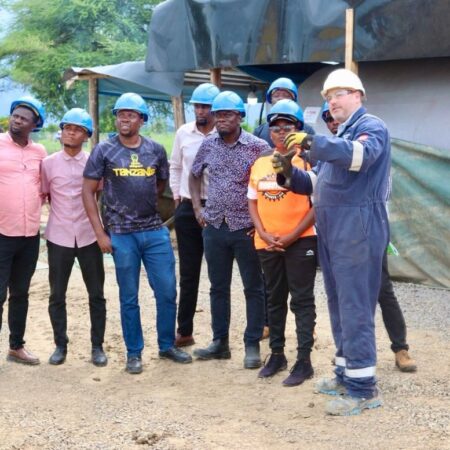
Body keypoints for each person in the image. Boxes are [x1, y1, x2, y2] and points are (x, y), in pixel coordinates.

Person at [272, 69, 389, 415]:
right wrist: (288, 173)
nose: (332, 101)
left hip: (358, 226)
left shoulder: (372, 128)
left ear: (358, 95)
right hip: (334, 228)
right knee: (338, 303)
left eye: (338, 94)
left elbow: (360, 156)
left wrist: (312, 143)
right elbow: (317, 181)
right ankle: (344, 372)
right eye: (327, 96)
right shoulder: (339, 135)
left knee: (355, 306)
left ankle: (363, 387)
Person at [82, 92, 191, 375]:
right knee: (129, 296)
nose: (125, 119)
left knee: (167, 291)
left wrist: (141, 202)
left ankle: (167, 346)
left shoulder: (155, 149)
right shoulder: (103, 151)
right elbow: (87, 192)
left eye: (131, 114)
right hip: (120, 235)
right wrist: (100, 234)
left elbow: (161, 183)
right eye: (121, 114)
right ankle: (134, 353)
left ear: (142, 119)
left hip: (154, 231)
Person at [321, 103, 416, 373]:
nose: (331, 121)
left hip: (367, 230)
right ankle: (348, 360)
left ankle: (400, 348)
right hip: (344, 233)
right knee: (344, 298)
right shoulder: (336, 145)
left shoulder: (368, 132)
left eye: (334, 114)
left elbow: (363, 163)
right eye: (326, 118)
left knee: (378, 293)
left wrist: (378, 234)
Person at [190, 91, 270, 369]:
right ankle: (220, 342)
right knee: (218, 287)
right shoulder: (208, 144)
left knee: (253, 287)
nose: (222, 119)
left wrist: (262, 224)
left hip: (246, 229)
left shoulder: (258, 147)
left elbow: (270, 184)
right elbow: (194, 173)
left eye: (228, 114)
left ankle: (252, 344)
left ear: (240, 117)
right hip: (214, 227)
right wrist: (198, 209)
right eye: (218, 114)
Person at [248, 99, 317, 386]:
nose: (280, 131)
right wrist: (263, 233)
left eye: (287, 126)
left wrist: (291, 236)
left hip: (300, 242)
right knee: (274, 300)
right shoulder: (261, 161)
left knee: (301, 301)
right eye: (275, 127)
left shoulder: (309, 160)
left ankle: (304, 361)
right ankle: (277, 354)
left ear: (298, 130)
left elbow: (317, 205)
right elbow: (252, 200)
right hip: (268, 243)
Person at [41, 108, 107, 367]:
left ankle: (97, 346)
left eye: (77, 129)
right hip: (58, 236)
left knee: (96, 294)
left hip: (89, 236)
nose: (70, 132)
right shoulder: (47, 164)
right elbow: (46, 194)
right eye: (67, 127)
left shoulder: (93, 162)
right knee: (57, 294)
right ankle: (60, 345)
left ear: (87, 136)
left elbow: (97, 195)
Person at [169, 83, 220, 348]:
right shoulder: (183, 133)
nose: (200, 111)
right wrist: (177, 196)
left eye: (206, 106)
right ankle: (185, 331)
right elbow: (176, 166)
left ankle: (218, 337)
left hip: (216, 207)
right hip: (188, 207)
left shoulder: (223, 134)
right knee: (189, 273)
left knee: (217, 274)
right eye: (197, 106)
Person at [0, 96, 47, 365]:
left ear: (34, 124)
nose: (16, 120)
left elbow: (44, 186)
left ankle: (16, 347)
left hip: (29, 236)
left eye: (23, 118)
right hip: (1, 234)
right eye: (14, 115)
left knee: (20, 292)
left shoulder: (39, 152)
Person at [254, 77, 315, 147]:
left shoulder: (307, 130)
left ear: (293, 100)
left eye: (286, 96)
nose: (281, 99)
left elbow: (314, 152)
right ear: (270, 100)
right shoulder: (259, 131)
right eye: (276, 96)